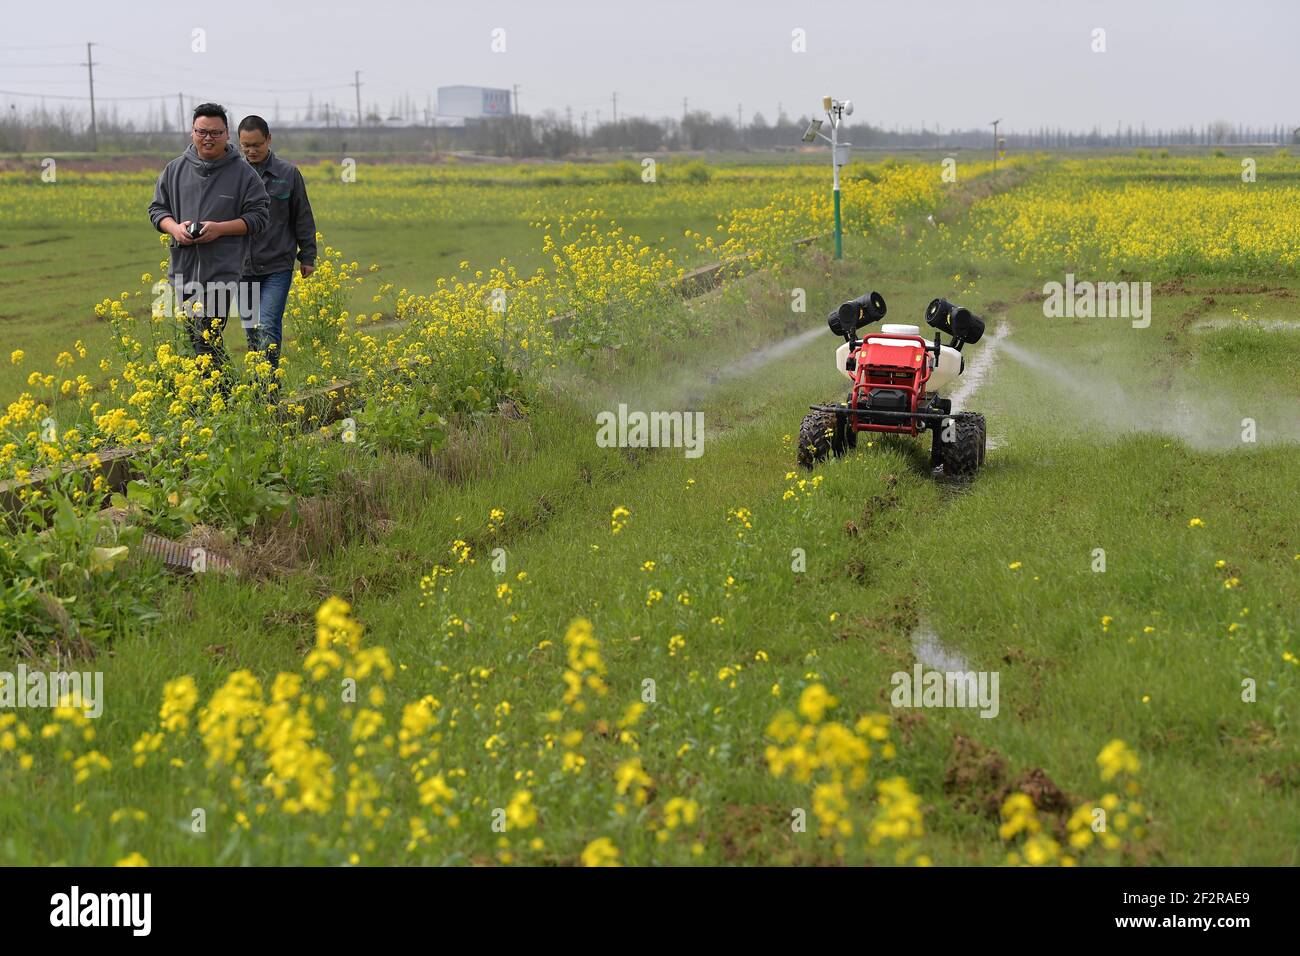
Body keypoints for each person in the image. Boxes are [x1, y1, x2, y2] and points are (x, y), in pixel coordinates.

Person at [148, 103, 270, 384]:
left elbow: (259, 216)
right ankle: (225, 398)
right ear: (192, 132)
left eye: (215, 132)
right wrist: (174, 229)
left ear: (227, 135)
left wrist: (219, 230)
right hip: (183, 272)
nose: (208, 138)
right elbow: (157, 210)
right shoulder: (175, 170)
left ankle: (221, 402)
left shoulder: (243, 173)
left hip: (222, 272)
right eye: (202, 131)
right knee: (197, 341)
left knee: (206, 339)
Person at [237, 115, 317, 374]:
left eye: (256, 145)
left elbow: (302, 216)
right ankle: (262, 389)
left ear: (269, 139)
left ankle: (268, 388)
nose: (251, 151)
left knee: (268, 326)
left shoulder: (288, 174)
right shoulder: (233, 175)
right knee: (251, 331)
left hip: (277, 266)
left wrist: (308, 256)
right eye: (245, 146)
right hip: (242, 268)